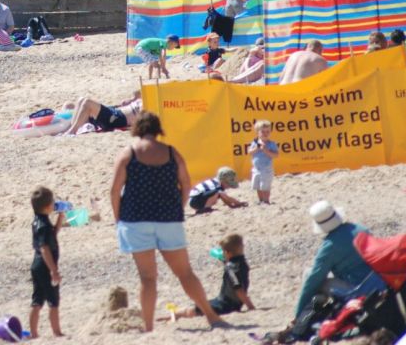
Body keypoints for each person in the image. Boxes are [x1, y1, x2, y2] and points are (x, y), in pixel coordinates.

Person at [110, 112, 225, 332]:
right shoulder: (172, 153)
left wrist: (118, 218)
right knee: (185, 273)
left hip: (136, 220)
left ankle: (149, 327)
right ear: (157, 129)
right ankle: (211, 316)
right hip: (168, 219)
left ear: (138, 130)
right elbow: (186, 184)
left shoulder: (129, 154)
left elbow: (115, 191)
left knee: (147, 278)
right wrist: (178, 208)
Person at [291, 202, 378, 323]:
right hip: (378, 282)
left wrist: (298, 312)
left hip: (358, 290)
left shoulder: (329, 246)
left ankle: (309, 315)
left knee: (309, 275)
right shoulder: (360, 229)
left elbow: (314, 278)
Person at [163, 234, 254, 321]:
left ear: (227, 253)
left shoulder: (231, 267)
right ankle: (175, 313)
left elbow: (238, 288)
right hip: (226, 303)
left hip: (226, 303)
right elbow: (238, 287)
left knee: (198, 308)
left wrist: (250, 306)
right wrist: (250, 306)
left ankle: (175, 313)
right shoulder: (240, 263)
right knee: (198, 309)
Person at [28, 186, 66, 339]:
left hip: (36, 265)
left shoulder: (39, 221)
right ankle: (57, 332)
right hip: (45, 266)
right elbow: (45, 248)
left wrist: (60, 218)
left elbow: (53, 234)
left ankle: (34, 333)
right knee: (53, 300)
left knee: (37, 300)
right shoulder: (43, 226)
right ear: (48, 206)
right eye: (53, 202)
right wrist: (53, 270)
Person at [62, 90, 143, 135]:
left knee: (87, 102)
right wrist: (133, 99)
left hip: (117, 118)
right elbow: (137, 92)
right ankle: (71, 127)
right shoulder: (146, 96)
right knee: (79, 101)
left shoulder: (150, 106)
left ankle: (72, 131)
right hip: (114, 111)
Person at [247, 120, 279, 204]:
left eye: (267, 131)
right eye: (263, 131)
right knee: (257, 186)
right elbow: (249, 152)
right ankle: (260, 200)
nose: (265, 133)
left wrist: (266, 150)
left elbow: (275, 155)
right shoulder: (255, 143)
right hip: (256, 169)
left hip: (266, 169)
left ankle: (266, 200)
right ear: (257, 132)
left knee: (265, 186)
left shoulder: (271, 144)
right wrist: (256, 148)